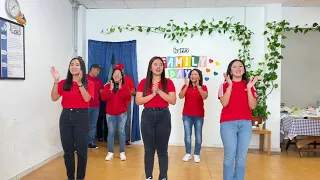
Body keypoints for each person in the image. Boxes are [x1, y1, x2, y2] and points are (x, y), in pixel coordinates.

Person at [50, 56, 94, 180]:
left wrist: (80, 84)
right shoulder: (64, 83)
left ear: (82, 68)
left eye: (77, 64)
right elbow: (54, 97)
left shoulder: (88, 83)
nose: (74, 67)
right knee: (68, 151)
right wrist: (56, 81)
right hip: (65, 117)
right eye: (71, 64)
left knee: (81, 151)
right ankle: (70, 177)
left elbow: (87, 99)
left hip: (81, 117)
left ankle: (80, 178)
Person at [136, 56, 176, 180]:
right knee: (149, 150)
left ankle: (163, 177)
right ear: (150, 67)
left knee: (162, 150)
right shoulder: (143, 82)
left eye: (160, 64)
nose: (158, 67)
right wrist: (153, 95)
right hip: (147, 115)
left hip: (163, 116)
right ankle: (148, 176)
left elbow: (173, 100)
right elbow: (138, 101)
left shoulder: (168, 82)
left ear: (163, 67)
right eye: (155, 64)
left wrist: (159, 91)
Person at [218, 59, 258, 180]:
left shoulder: (249, 85)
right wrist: (230, 86)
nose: (237, 68)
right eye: (234, 66)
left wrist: (250, 88)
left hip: (245, 124)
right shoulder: (224, 85)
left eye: (240, 66)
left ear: (244, 70)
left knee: (241, 158)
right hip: (228, 124)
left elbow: (253, 106)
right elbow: (224, 103)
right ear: (230, 70)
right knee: (229, 157)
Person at [100, 68, 131, 161]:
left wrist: (121, 89)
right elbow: (103, 98)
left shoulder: (125, 86)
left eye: (119, 73)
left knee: (121, 132)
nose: (116, 75)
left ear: (122, 76)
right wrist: (110, 90)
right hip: (110, 114)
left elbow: (127, 98)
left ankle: (122, 152)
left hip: (122, 113)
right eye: (115, 73)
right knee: (111, 132)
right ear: (112, 75)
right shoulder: (107, 86)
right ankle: (110, 152)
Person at [178, 69, 208, 163]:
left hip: (199, 115)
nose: (193, 76)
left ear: (199, 76)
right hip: (187, 115)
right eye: (191, 74)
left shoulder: (203, 87)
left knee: (198, 136)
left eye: (195, 74)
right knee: (187, 135)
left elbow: (204, 97)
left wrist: (199, 87)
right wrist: (186, 86)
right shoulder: (186, 86)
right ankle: (188, 153)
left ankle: (196, 154)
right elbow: (180, 96)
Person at [114, 63, 135, 147]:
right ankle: (115, 139)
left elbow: (134, 92)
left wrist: (124, 92)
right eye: (116, 70)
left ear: (122, 70)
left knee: (126, 121)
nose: (117, 71)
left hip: (126, 103)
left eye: (119, 69)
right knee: (113, 121)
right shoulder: (113, 79)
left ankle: (126, 139)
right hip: (115, 103)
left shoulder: (128, 79)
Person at [86, 64, 103, 149]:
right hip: (86, 106)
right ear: (92, 69)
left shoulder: (99, 81)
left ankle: (90, 142)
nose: (98, 72)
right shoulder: (84, 78)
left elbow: (102, 93)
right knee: (84, 124)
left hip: (96, 106)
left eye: (99, 71)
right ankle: (81, 143)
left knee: (93, 124)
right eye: (96, 70)